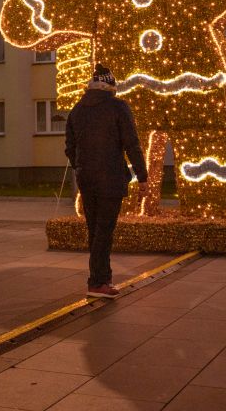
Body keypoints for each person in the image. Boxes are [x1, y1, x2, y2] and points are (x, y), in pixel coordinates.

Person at [65, 64, 148, 299]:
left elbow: (70, 147)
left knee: (94, 229)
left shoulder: (77, 110)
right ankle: (98, 282)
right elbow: (131, 143)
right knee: (104, 231)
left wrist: (80, 167)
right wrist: (142, 176)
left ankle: (100, 278)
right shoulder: (118, 107)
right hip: (110, 177)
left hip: (86, 178)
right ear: (111, 86)